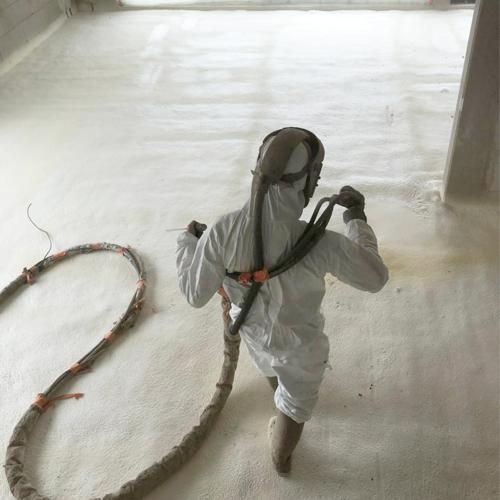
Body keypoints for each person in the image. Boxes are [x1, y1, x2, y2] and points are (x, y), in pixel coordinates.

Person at [176, 128, 388, 475]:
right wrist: (356, 220)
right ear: (308, 181)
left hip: (250, 330)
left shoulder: (221, 231)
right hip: (301, 347)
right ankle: (281, 457)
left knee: (270, 365)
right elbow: (375, 278)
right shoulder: (319, 243)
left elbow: (194, 293)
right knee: (295, 404)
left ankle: (280, 394)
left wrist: (188, 246)